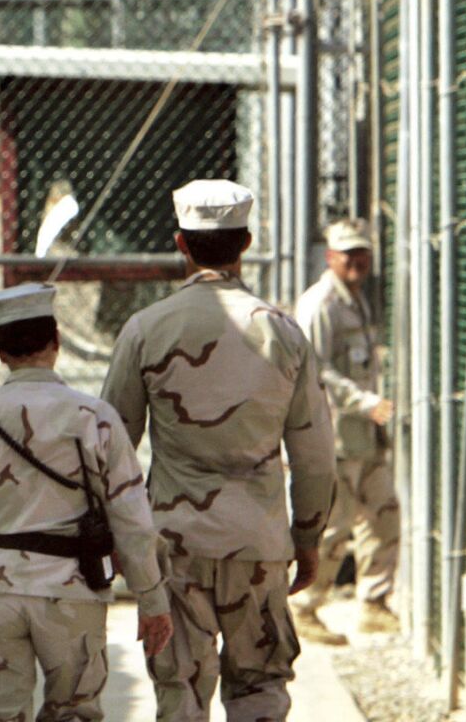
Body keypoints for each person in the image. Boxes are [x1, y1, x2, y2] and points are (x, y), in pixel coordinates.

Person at [98, 180, 336, 721]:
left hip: (172, 545)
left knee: (179, 687)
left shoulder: (145, 328)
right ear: (246, 242)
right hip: (259, 539)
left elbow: (111, 448)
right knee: (260, 686)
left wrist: (117, 539)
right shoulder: (282, 332)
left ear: (180, 243)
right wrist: (309, 537)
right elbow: (316, 456)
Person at [0, 282, 174, 722]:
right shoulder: (95, 417)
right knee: (75, 712)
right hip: (71, 592)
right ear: (57, 342)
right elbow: (131, 518)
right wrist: (152, 598)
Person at [290, 218, 401, 643]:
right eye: (348, 254)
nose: (356, 261)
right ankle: (304, 606)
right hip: (336, 434)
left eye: (362, 253)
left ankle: (373, 603)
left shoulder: (354, 299)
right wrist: (366, 402)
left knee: (384, 512)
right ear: (330, 257)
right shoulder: (321, 305)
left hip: (363, 435)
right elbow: (317, 369)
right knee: (334, 525)